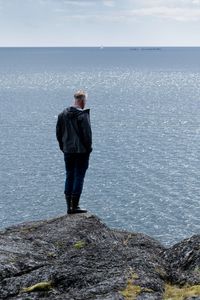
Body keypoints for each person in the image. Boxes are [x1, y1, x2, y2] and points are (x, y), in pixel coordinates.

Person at [56, 91, 92, 214]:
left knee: (69, 175)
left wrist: (63, 147)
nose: (85, 103)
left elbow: (58, 134)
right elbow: (87, 136)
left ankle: (68, 207)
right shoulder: (83, 116)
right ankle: (75, 206)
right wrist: (89, 149)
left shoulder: (62, 115)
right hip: (81, 151)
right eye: (85, 101)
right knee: (79, 176)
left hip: (68, 150)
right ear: (82, 100)